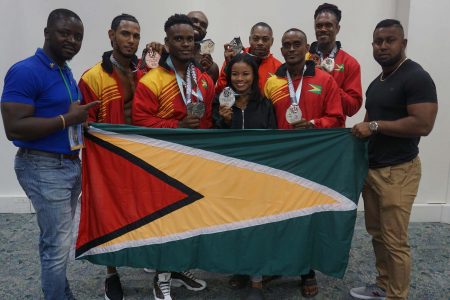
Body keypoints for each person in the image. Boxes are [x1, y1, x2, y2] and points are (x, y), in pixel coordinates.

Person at [0, 9, 98, 300]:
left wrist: (79, 120)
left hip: (68, 165)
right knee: (57, 245)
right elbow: (14, 128)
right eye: (65, 33)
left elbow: (63, 114)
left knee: (58, 240)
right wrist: (67, 120)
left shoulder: (63, 70)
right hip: (43, 166)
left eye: (78, 36)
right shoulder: (26, 70)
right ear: (47, 33)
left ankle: (61, 293)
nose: (72, 40)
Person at [350, 19, 438, 300]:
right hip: (373, 170)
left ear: (404, 44)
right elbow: (369, 119)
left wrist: (375, 126)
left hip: (399, 172)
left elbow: (423, 124)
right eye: (378, 41)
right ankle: (383, 284)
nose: (383, 46)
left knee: (395, 241)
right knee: (377, 234)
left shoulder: (416, 77)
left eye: (390, 40)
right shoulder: (378, 82)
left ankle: (397, 296)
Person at [132, 13, 214, 300]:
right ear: (167, 42)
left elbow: (207, 123)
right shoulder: (151, 81)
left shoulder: (204, 81)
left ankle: (177, 268)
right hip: (163, 163)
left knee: (189, 219)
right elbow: (141, 121)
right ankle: (160, 277)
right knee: (166, 220)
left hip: (195, 163)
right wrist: (176, 126)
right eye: (178, 39)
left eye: (190, 39)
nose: (185, 44)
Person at [263, 28, 344, 298]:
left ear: (306, 47)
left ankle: (306, 271)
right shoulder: (272, 82)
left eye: (297, 44)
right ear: (282, 49)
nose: (291, 49)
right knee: (278, 214)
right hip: (279, 161)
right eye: (287, 45)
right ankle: (278, 263)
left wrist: (313, 124)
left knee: (307, 217)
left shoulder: (325, 80)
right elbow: (265, 120)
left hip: (312, 161)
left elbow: (336, 118)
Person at [78, 13, 144, 300]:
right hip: (109, 159)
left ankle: (154, 261)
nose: (131, 40)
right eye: (125, 34)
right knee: (108, 215)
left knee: (147, 210)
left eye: (135, 35)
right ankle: (111, 274)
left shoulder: (146, 71)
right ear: (111, 35)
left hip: (145, 155)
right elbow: (85, 126)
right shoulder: (93, 77)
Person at [214, 53, 276, 300]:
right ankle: (241, 269)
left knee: (256, 228)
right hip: (229, 177)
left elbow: (272, 141)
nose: (240, 79)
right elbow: (213, 142)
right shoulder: (220, 104)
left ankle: (257, 281)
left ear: (254, 76)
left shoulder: (265, 105)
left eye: (245, 74)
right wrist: (224, 122)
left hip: (257, 177)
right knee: (234, 225)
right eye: (235, 74)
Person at [308, 3, 362, 120]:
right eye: (319, 26)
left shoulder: (349, 63)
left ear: (337, 28)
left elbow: (352, 108)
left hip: (334, 133)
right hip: (306, 130)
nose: (323, 29)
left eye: (328, 25)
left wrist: (329, 82)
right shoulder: (304, 58)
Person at [216, 22, 282, 94]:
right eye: (256, 39)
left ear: (272, 41)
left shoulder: (278, 67)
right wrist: (229, 67)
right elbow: (220, 90)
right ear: (250, 39)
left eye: (265, 39)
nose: (260, 43)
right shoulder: (235, 58)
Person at [187, 10, 219, 83]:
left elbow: (206, 91)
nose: (198, 25)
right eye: (194, 21)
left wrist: (204, 71)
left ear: (205, 33)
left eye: (203, 25)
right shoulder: (166, 50)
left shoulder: (211, 66)